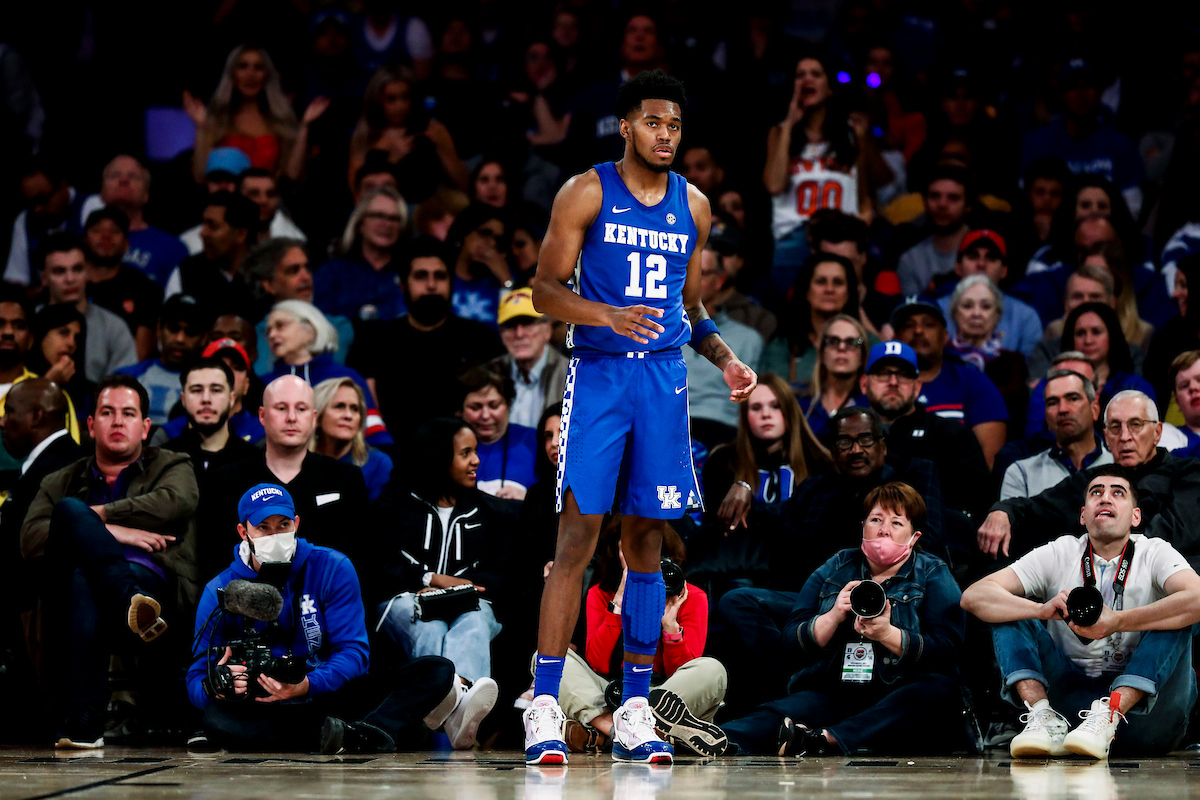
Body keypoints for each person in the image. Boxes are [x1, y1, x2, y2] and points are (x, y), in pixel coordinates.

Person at [525, 69, 758, 766]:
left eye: (676, 125)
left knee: (648, 542)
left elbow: (692, 310)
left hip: (664, 382)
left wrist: (724, 361)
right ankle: (541, 703)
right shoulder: (587, 191)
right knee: (577, 535)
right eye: (654, 123)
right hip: (599, 377)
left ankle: (633, 707)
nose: (666, 135)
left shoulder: (696, 205)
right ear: (626, 126)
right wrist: (605, 315)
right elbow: (541, 291)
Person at [188, 484, 496, 754]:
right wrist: (218, 684)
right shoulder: (221, 589)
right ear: (244, 532)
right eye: (263, 528)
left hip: (329, 695)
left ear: (296, 524)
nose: (275, 535)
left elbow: (355, 654)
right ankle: (369, 733)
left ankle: (351, 733)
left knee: (437, 670)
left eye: (283, 525)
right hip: (268, 707)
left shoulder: (332, 566)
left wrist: (307, 685)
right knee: (216, 718)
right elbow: (195, 678)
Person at [962, 466, 1200, 758]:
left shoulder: (1155, 551)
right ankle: (1042, 717)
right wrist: (1040, 609)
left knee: (1179, 613)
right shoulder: (1060, 551)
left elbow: (1198, 598)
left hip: (1144, 718)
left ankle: (1111, 713)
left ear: (1136, 516)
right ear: (1083, 515)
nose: (1105, 498)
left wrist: (1118, 622)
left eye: (1118, 493)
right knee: (1007, 610)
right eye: (1096, 492)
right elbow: (974, 596)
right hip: (1072, 716)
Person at [721, 482, 970, 756]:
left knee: (940, 690)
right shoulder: (837, 566)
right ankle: (709, 738)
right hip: (836, 690)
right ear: (863, 526)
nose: (884, 529)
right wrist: (831, 617)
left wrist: (888, 634)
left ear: (914, 536)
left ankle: (826, 739)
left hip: (898, 691)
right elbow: (790, 640)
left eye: (896, 523)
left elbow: (947, 650)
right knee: (775, 716)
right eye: (876, 519)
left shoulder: (931, 571)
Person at [20, 375, 200, 747]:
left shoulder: (173, 464)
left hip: (158, 588)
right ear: (90, 425)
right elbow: (30, 539)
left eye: (129, 413)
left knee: (80, 551)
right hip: (92, 596)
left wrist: (95, 517)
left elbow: (176, 502)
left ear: (146, 427)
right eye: (107, 412)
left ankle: (85, 721)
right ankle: (126, 598)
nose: (118, 421)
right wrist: (118, 532)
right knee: (73, 527)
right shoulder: (61, 480)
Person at [560, 524, 728, 757]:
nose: (640, 555)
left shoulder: (692, 597)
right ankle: (623, 731)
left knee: (713, 670)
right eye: (628, 549)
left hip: (664, 696)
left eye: (650, 549)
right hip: (612, 693)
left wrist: (670, 626)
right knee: (546, 658)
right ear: (617, 554)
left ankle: (602, 733)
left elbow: (682, 671)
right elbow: (597, 662)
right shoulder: (601, 593)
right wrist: (618, 603)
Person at [977, 390, 1200, 561]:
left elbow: (1176, 534)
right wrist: (1003, 511)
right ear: (1106, 436)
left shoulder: (1188, 473)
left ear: (1157, 432)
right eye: (1115, 427)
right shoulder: (1090, 481)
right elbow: (1037, 509)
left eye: (1135, 425)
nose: (1124, 436)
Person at [371, 418, 513, 685]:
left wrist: (456, 591)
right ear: (438, 458)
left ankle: (450, 705)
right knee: (430, 626)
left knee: (473, 624)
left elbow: (503, 573)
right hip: (404, 596)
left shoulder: (492, 512)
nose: (476, 461)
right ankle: (453, 711)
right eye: (465, 453)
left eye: (475, 451)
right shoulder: (395, 503)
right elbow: (379, 563)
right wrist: (430, 580)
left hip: (470, 602)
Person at [205, 376, 370, 575]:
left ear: (314, 417)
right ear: (262, 416)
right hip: (249, 599)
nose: (292, 417)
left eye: (301, 409)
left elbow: (362, 560)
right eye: (281, 408)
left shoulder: (346, 478)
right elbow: (215, 562)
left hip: (328, 599)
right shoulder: (226, 481)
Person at [347, 237, 504, 441]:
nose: (431, 285)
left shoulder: (481, 339)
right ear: (403, 286)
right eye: (421, 276)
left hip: (468, 451)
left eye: (440, 276)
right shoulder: (374, 339)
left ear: (451, 284)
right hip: (393, 451)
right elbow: (363, 403)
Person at [858, 341, 991, 555]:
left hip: (938, 551)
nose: (893, 382)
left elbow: (978, 500)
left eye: (903, 374)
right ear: (864, 384)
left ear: (917, 386)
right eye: (883, 374)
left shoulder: (951, 434)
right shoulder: (847, 439)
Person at [763, 54, 863, 294]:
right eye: (800, 75)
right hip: (793, 236)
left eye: (816, 74)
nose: (807, 80)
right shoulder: (779, 132)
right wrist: (789, 124)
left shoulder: (853, 135)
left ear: (830, 87)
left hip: (841, 237)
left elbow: (865, 195)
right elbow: (774, 186)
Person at [184, 44, 328, 183]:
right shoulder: (217, 120)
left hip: (268, 201)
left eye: (258, 68)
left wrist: (304, 127)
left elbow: (293, 175)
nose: (250, 75)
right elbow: (200, 176)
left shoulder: (280, 120)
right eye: (243, 66)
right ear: (232, 74)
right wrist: (202, 128)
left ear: (267, 76)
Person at [891, 298, 1008, 469]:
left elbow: (989, 462)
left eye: (928, 324)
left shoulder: (974, 382)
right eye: (908, 326)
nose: (918, 331)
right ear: (895, 338)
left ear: (945, 336)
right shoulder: (880, 386)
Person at [1021, 59, 1145, 218]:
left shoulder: (1121, 146)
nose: (1081, 93)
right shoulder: (1037, 143)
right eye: (1073, 86)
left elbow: (1133, 209)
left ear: (1100, 93)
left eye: (1088, 85)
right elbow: (1024, 200)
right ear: (1061, 95)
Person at [260, 299, 390, 449]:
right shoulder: (264, 385)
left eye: (280, 326)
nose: (272, 335)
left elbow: (375, 434)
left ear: (310, 331)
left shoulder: (346, 377)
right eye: (268, 331)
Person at [346, 65, 468, 198]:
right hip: (383, 208)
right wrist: (392, 160)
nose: (400, 106)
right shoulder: (365, 136)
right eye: (391, 99)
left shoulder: (432, 129)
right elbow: (356, 191)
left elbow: (464, 182)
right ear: (377, 100)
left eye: (405, 98)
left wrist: (443, 148)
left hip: (427, 209)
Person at [685, 245, 764, 448]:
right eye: (685, 271)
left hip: (723, 434)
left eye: (701, 273)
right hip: (670, 424)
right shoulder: (659, 331)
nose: (690, 280)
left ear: (720, 280)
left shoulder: (749, 338)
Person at [73, 155, 188, 289]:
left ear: (146, 194)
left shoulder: (172, 248)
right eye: (115, 176)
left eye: (133, 177)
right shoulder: (78, 242)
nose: (123, 180)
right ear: (102, 192)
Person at [762, 253, 869, 394]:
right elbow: (770, 396)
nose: (829, 289)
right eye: (821, 281)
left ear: (848, 293)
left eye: (838, 282)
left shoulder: (866, 342)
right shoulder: (783, 345)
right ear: (806, 290)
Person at [37, 233, 137, 382]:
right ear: (44, 278)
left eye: (77, 269)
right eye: (59, 271)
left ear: (88, 271)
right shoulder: (29, 322)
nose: (70, 279)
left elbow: (124, 389)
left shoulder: (114, 328)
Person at [1001, 370, 1112, 500]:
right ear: (1046, 417)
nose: (1063, 409)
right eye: (1052, 403)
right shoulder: (1021, 474)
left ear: (1095, 410)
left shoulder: (1121, 466)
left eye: (1073, 399)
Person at [244, 238, 354, 369]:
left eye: (307, 268)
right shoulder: (253, 337)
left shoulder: (338, 327)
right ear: (269, 285)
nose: (305, 277)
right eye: (293, 270)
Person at [934, 230, 1043, 357]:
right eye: (973, 257)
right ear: (958, 267)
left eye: (991, 258)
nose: (981, 264)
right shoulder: (936, 311)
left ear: (1004, 270)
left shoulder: (1026, 316)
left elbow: (1033, 373)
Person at [945, 275, 1028, 435]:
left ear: (997, 315)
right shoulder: (942, 359)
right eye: (967, 306)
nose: (976, 313)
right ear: (954, 313)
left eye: (985, 306)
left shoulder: (1014, 364)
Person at [314, 187, 410, 322]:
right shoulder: (332, 272)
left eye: (394, 219)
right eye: (378, 216)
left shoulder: (409, 272)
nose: (386, 224)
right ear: (360, 224)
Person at [82, 207, 162, 361]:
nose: (106, 236)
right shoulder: (70, 283)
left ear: (127, 244)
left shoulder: (146, 289)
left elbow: (140, 353)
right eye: (97, 230)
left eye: (115, 231)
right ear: (84, 240)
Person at [163, 192, 259, 319]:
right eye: (204, 225)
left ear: (241, 234)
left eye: (213, 227)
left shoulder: (267, 274)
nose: (203, 233)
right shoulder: (188, 271)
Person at [116, 294, 208, 425]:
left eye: (190, 332)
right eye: (173, 329)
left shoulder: (210, 385)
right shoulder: (127, 377)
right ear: (159, 329)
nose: (180, 339)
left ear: (203, 338)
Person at [154, 337, 265, 446]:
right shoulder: (169, 433)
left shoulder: (262, 433)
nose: (228, 373)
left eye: (237, 367)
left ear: (247, 385)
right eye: (218, 366)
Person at [487, 288, 567, 430]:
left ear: (547, 329)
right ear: (501, 333)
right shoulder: (488, 374)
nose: (519, 334)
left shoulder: (571, 375)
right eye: (510, 325)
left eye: (528, 323)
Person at [1060, 302, 1155, 420]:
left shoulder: (1135, 387)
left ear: (1111, 336)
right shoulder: (1052, 387)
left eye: (1096, 332)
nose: (1088, 340)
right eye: (1080, 333)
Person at [163, 358, 258, 474]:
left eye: (216, 390)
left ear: (232, 398)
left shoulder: (254, 461)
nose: (206, 399)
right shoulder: (164, 460)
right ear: (183, 399)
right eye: (196, 390)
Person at [457, 367, 537, 501]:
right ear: (460, 410)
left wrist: (531, 499)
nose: (485, 415)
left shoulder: (534, 441)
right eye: (475, 407)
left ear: (509, 405)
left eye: (494, 406)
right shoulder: (449, 447)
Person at [310, 377, 393, 502]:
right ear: (317, 416)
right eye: (339, 406)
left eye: (355, 409)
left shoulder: (378, 464)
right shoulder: (298, 462)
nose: (348, 416)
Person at [897, 166, 972, 296]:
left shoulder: (986, 256)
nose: (942, 204)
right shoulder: (910, 260)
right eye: (935, 196)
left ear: (968, 205)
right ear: (924, 200)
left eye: (953, 198)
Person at [799, 315, 869, 441]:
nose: (841, 348)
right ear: (822, 353)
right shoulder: (797, 400)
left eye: (852, 342)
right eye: (832, 341)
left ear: (862, 356)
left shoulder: (872, 404)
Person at [447, 203, 513, 327]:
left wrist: (506, 282)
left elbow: (515, 327)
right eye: (484, 233)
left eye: (497, 239)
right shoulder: (440, 275)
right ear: (464, 232)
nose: (492, 243)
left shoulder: (501, 278)